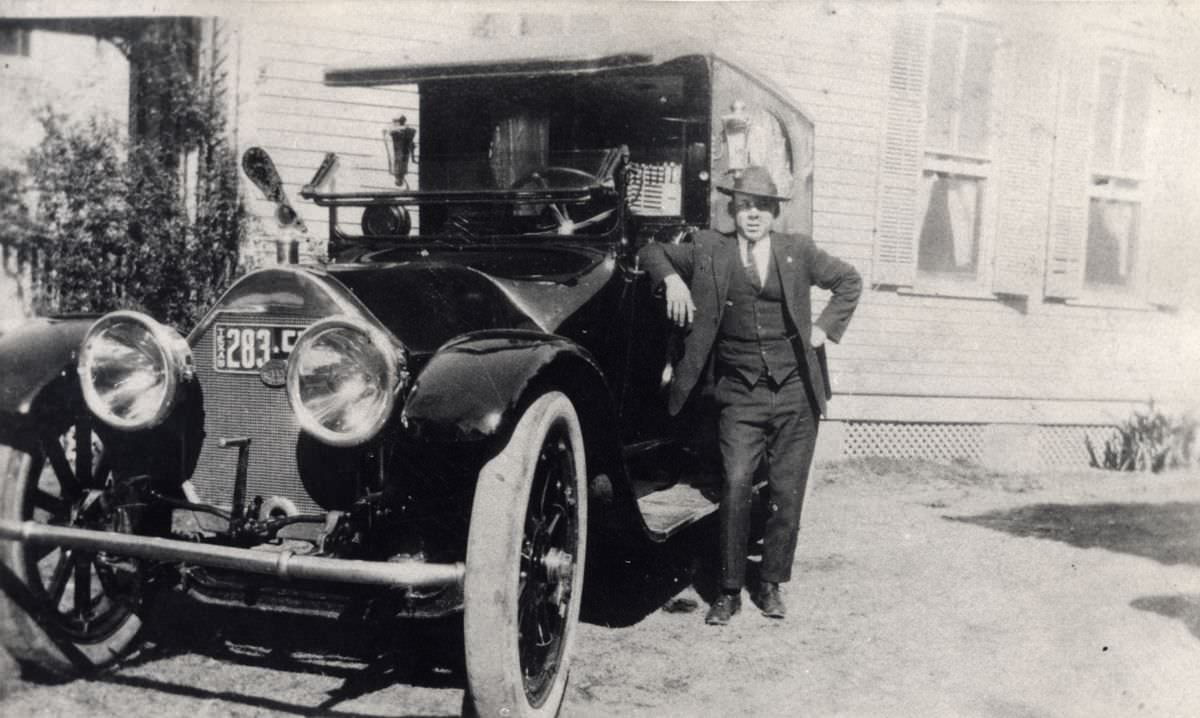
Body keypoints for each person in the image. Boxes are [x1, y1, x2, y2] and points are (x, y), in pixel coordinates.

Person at [638, 166, 861, 625]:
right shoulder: (707, 248)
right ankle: (728, 589)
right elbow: (650, 250)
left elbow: (849, 281)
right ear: (733, 211)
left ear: (775, 212)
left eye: (761, 206)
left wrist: (822, 331)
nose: (752, 215)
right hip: (738, 393)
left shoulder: (798, 251)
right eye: (744, 207)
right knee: (737, 483)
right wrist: (672, 280)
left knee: (786, 491)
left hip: (797, 392)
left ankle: (772, 584)